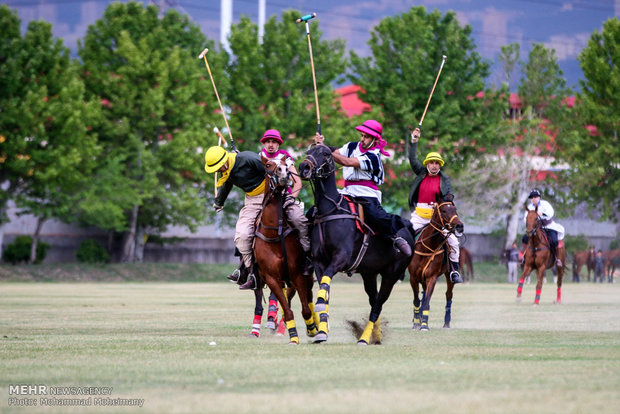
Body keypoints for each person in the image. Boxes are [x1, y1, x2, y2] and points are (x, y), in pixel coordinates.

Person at [313, 119, 412, 257]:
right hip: (346, 191)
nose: (362, 139)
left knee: (376, 216)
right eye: (362, 135)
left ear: (374, 139)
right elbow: (336, 152)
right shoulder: (352, 146)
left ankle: (395, 235)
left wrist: (324, 150)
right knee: (317, 209)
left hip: (366, 193)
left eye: (366, 136)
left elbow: (345, 161)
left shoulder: (373, 156)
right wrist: (322, 145)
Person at [204, 145, 266, 290]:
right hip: (252, 200)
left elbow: (269, 170)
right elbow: (226, 186)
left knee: (298, 220)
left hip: (272, 193)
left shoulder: (248, 158)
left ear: (225, 160)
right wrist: (219, 203)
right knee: (242, 235)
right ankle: (252, 273)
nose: (218, 171)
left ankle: (305, 262)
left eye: (219, 167)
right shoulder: (226, 171)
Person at [408, 127, 462, 284]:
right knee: (404, 238)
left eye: (437, 163)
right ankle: (400, 267)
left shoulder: (445, 179)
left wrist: (446, 199)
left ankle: (454, 272)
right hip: (419, 216)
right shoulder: (421, 173)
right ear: (427, 164)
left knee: (453, 242)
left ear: (440, 165)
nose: (434, 166)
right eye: (432, 163)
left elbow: (450, 195)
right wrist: (414, 141)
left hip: (437, 218)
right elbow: (412, 159)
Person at [522, 188, 565, 267]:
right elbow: (525, 218)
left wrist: (541, 213)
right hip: (536, 228)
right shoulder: (529, 207)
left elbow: (550, 213)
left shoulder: (545, 204)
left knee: (554, 240)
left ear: (539, 197)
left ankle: (556, 258)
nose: (533, 198)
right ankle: (525, 257)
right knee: (525, 238)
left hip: (548, 226)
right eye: (531, 197)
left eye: (535, 197)